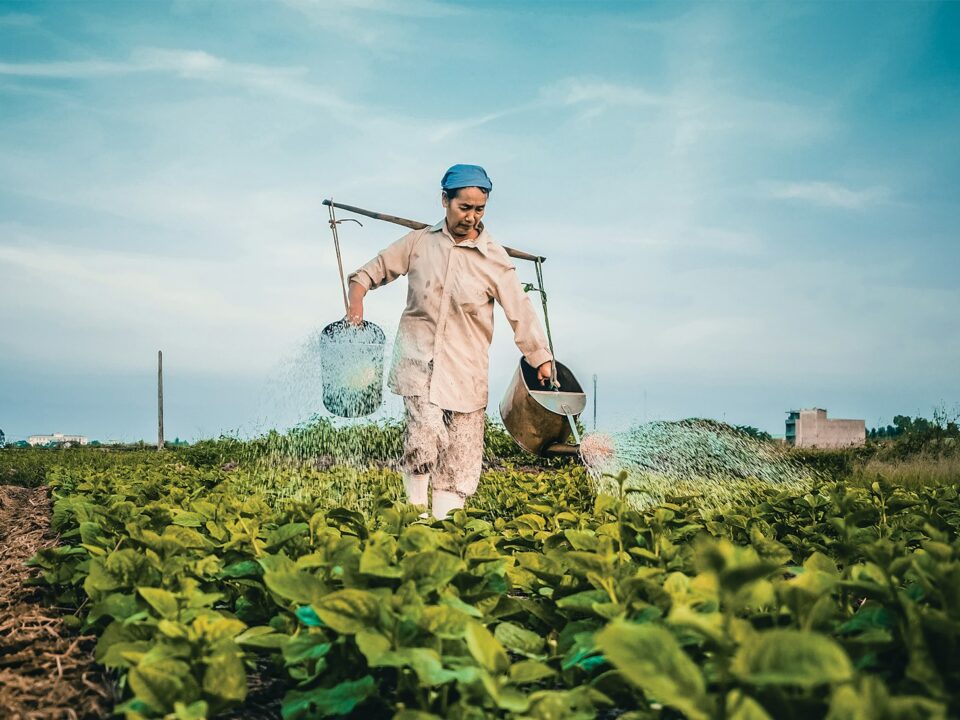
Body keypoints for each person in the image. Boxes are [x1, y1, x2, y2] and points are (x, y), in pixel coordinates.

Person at [346, 164, 553, 518]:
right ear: (445, 200)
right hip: (417, 359)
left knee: (461, 453)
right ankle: (414, 519)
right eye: (464, 208)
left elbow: (520, 309)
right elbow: (367, 274)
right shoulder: (419, 243)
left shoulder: (494, 259)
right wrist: (356, 305)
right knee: (424, 435)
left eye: (479, 209)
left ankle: (446, 527)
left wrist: (540, 357)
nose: (471, 217)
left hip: (466, 368)